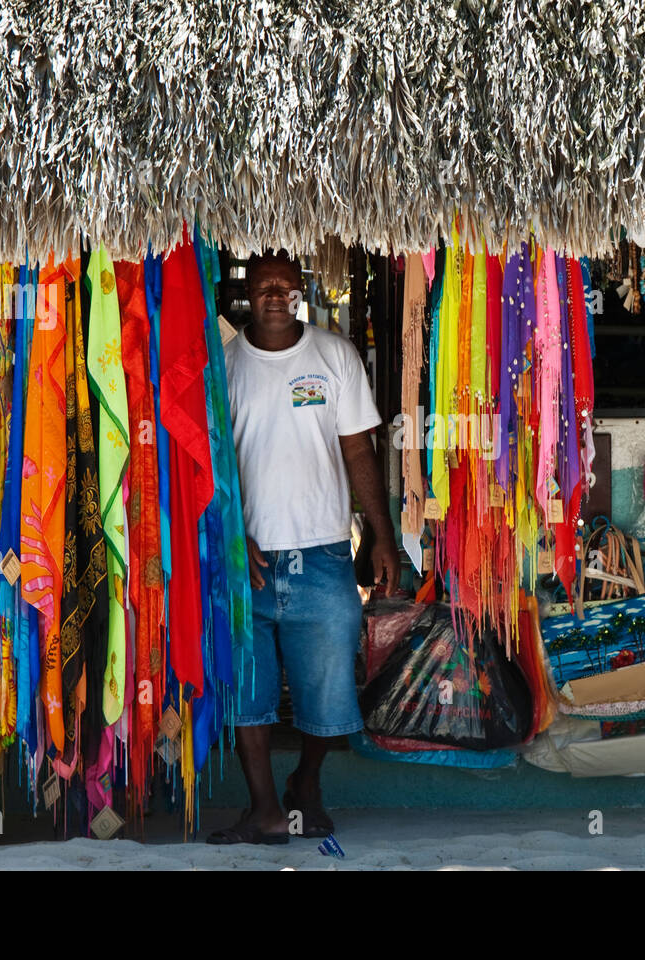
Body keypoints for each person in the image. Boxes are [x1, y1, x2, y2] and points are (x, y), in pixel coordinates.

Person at [207, 249, 398, 844]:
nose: (274, 296)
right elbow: (213, 465)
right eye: (263, 286)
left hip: (323, 553)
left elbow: (359, 452)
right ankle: (265, 808)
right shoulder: (226, 366)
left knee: (330, 690)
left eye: (285, 287)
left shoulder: (334, 354)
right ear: (246, 296)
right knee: (249, 690)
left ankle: (306, 782)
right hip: (249, 561)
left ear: (301, 294)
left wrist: (382, 537)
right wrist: (230, 533)